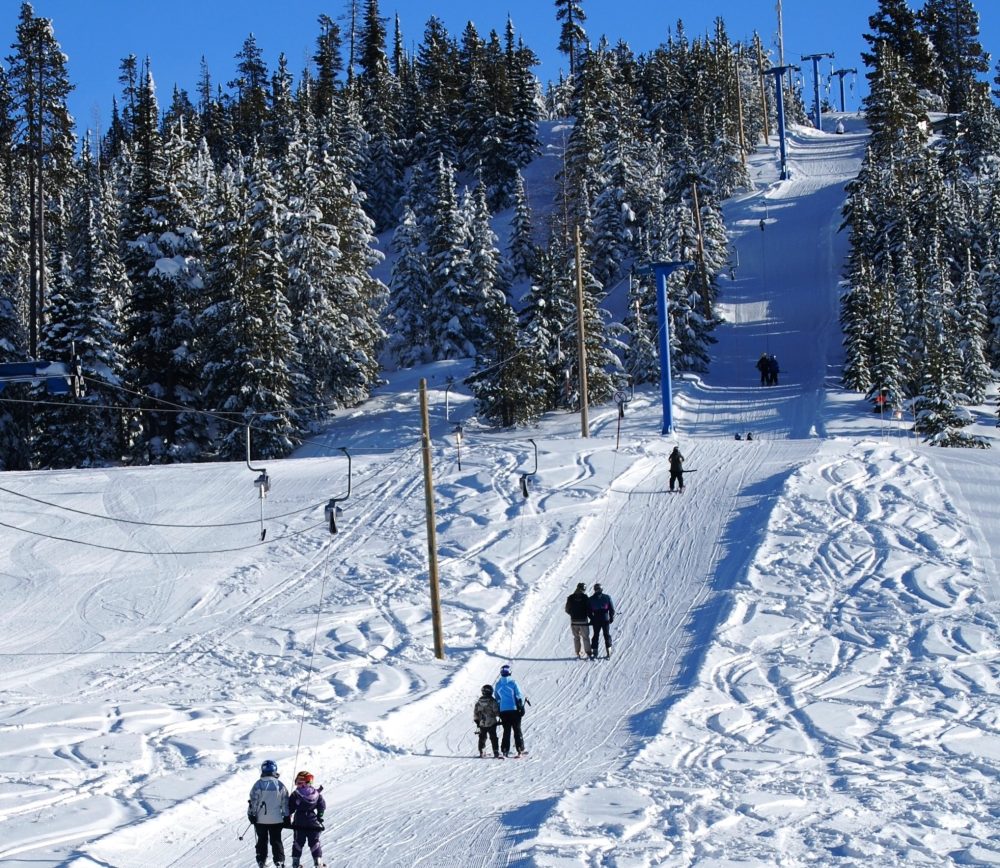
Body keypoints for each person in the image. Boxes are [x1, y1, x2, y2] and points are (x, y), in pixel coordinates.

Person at [248, 759, 289, 868]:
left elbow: (253, 802)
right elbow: (285, 802)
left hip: (260, 820)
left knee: (262, 839)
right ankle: (279, 861)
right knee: (276, 840)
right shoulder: (280, 785)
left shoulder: (258, 784)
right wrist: (286, 816)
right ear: (275, 770)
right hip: (277, 820)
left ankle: (261, 861)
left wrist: (251, 815)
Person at [288, 770, 326, 868]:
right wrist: (320, 815)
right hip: (312, 820)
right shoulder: (316, 793)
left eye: (300, 782)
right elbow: (321, 805)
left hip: (299, 821)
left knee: (298, 842)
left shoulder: (295, 794)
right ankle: (318, 861)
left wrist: (288, 816)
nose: (298, 784)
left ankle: (295, 863)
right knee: (314, 841)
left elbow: (290, 807)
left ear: (307, 783)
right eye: (297, 782)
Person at [493, 664, 528, 757]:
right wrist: (521, 707)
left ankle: (505, 750)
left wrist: (500, 708)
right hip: (514, 710)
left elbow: (497, 698)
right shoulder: (513, 683)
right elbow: (518, 695)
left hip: (503, 711)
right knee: (517, 729)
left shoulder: (498, 685)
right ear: (510, 672)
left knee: (506, 730)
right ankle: (520, 749)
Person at [564, 582, 592, 658]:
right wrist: (590, 617)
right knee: (585, 637)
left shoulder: (570, 597)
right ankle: (588, 653)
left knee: (576, 637)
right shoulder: (585, 597)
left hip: (574, 621)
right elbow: (589, 609)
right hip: (583, 621)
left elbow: (567, 609)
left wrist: (572, 614)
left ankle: (578, 653)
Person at [474, 684, 502, 758]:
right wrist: (500, 716)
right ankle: (496, 751)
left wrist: (477, 721)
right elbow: (496, 711)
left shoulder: (479, 701)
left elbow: (476, 712)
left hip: (482, 723)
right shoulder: (492, 701)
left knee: (482, 737)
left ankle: (482, 751)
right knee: (493, 737)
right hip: (492, 722)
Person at [588, 583, 616, 658]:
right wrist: (611, 617)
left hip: (597, 618)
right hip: (604, 618)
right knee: (606, 634)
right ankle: (608, 650)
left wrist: (592, 618)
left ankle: (595, 651)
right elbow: (611, 609)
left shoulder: (591, 599)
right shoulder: (607, 597)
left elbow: (589, 611)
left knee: (596, 635)